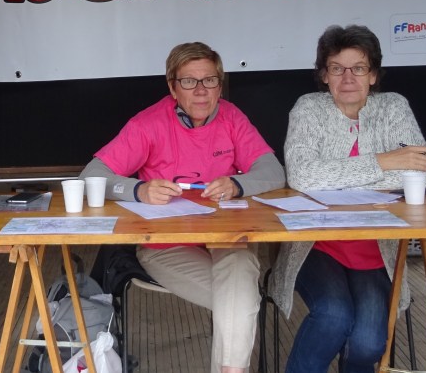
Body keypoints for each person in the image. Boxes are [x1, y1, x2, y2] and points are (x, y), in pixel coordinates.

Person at [80, 41, 286, 373]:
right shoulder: (148, 123)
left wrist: (238, 185)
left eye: (210, 80)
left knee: (240, 272)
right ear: (172, 87)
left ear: (220, 84)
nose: (201, 91)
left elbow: (274, 172)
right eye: (189, 81)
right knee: (242, 300)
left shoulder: (232, 117)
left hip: (226, 239)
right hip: (166, 247)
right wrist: (139, 190)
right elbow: (91, 175)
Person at [268, 24, 426, 373]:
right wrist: (385, 162)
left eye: (358, 68)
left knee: (369, 342)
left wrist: (332, 178)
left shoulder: (393, 107)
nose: (348, 78)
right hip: (315, 244)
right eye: (336, 68)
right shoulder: (308, 108)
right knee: (334, 315)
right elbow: (301, 177)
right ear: (324, 75)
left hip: (375, 248)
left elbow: (421, 173)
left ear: (372, 75)